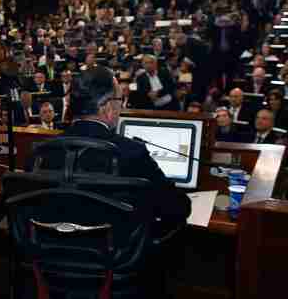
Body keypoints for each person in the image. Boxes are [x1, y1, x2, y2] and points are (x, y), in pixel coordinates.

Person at [37, 66, 191, 232]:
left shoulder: (41, 151)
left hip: (52, 244)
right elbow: (177, 208)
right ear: (108, 107)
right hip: (117, 245)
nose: (121, 106)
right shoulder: (132, 153)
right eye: (120, 100)